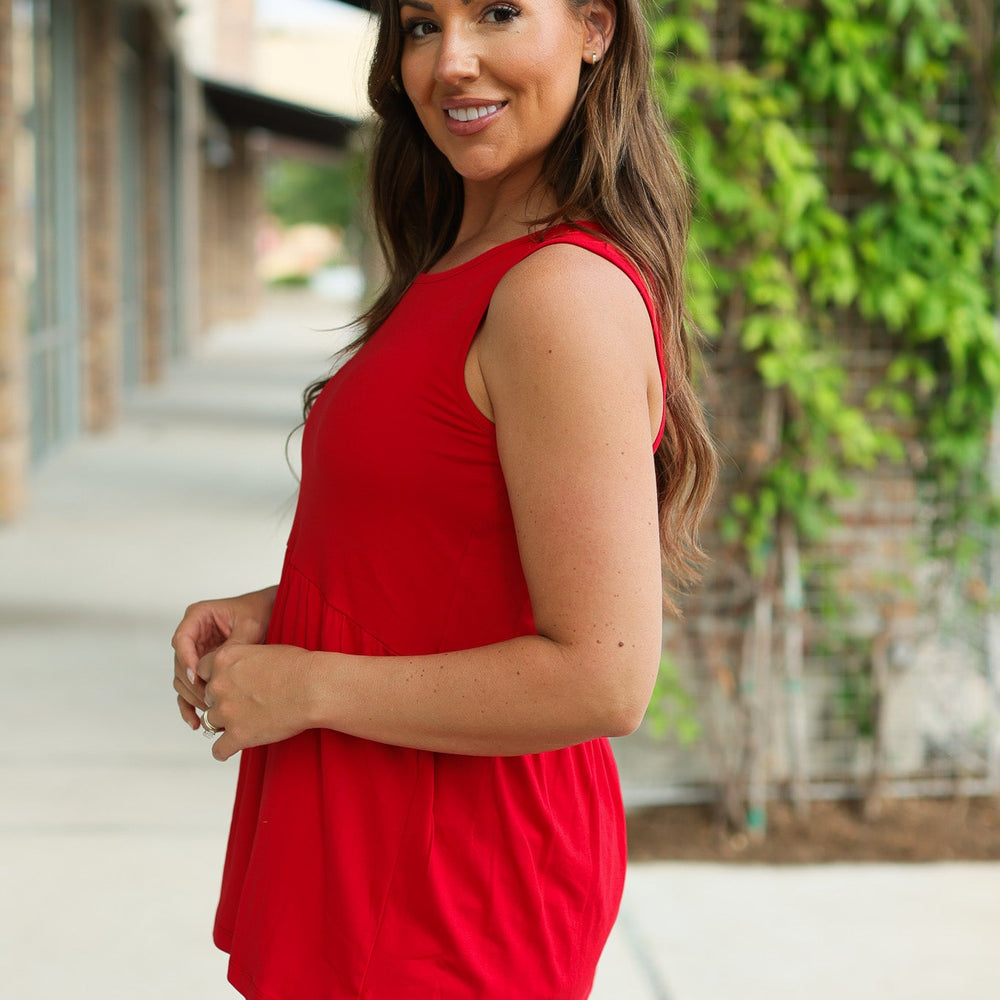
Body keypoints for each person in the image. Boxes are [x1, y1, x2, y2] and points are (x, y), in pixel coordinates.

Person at [172, 0, 716, 996]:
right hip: (378, 856)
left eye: (498, 13)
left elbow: (605, 675)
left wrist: (310, 684)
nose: (452, 62)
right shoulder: (454, 269)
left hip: (456, 890)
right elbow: (446, 543)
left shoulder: (557, 294)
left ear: (596, 25)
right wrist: (280, 610)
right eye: (422, 24)